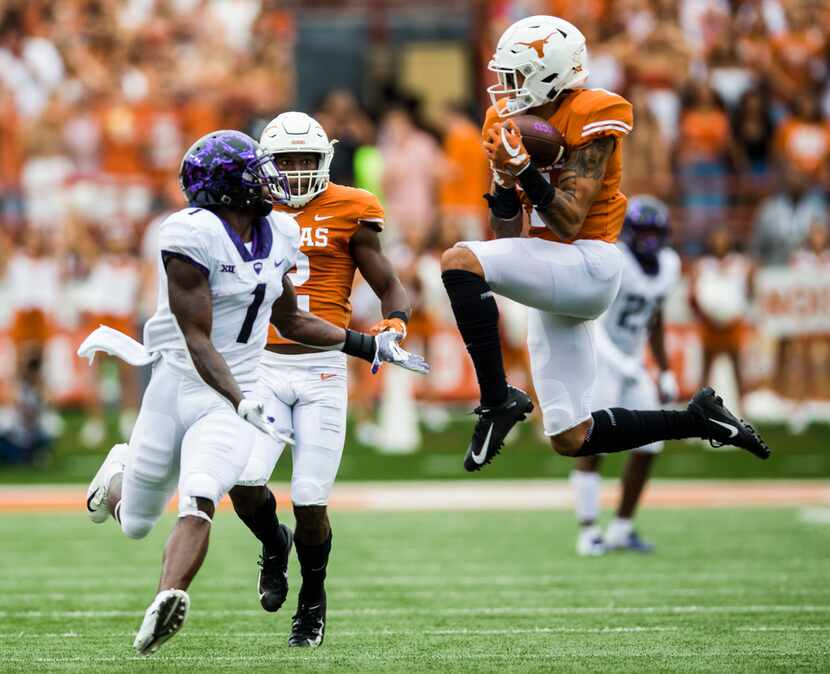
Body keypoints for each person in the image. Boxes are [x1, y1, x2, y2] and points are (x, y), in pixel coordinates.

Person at [79, 130, 427, 656]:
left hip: (235, 393)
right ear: (228, 186)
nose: (273, 180)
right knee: (136, 523)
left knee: (200, 497)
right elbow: (196, 338)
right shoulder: (187, 236)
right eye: (259, 171)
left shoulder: (279, 231)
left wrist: (369, 346)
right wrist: (241, 398)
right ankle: (116, 479)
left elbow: (291, 319)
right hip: (183, 384)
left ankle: (165, 599)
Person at [439, 15, 770, 475]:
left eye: (515, 76)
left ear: (550, 72)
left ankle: (497, 400)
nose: (506, 88)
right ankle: (701, 421)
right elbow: (508, 236)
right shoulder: (504, 119)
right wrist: (502, 180)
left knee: (458, 260)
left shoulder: (594, 112)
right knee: (570, 437)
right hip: (552, 272)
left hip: (587, 263)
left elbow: (571, 220)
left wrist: (525, 172)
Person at [230, 111, 412, 648]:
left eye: (305, 160)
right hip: (262, 364)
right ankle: (272, 542)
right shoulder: (247, 210)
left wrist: (395, 320)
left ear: (325, 160)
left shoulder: (352, 208)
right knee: (243, 482)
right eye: (284, 161)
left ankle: (312, 599)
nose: (295, 170)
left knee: (310, 499)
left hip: (323, 368)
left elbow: (388, 281)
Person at [570, 196, 680, 556]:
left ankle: (621, 528)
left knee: (651, 444)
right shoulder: (614, 260)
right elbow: (592, 318)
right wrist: (620, 361)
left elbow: (655, 317)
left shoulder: (668, 264)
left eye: (655, 232)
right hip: (601, 357)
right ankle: (588, 532)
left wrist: (663, 369)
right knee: (593, 442)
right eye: (643, 231)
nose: (649, 239)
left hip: (633, 362)